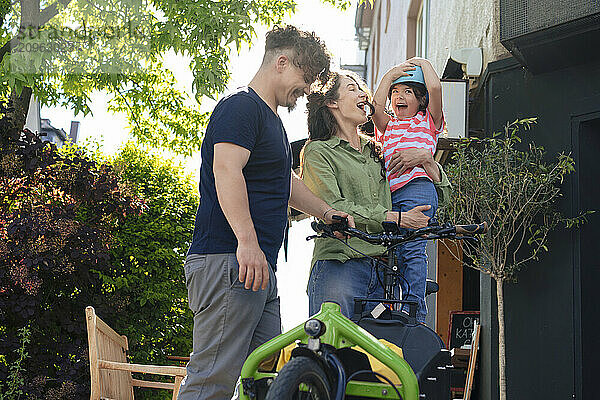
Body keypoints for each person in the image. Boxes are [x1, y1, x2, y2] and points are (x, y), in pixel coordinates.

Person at [178, 26, 353, 400]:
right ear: (281, 61)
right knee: (212, 381)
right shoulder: (241, 106)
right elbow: (225, 169)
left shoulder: (272, 122)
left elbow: (283, 183)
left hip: (257, 270)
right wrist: (246, 241)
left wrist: (325, 212)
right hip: (230, 260)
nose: (306, 91)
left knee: (268, 381)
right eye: (304, 80)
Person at [301, 70, 450, 319]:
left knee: (376, 356)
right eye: (352, 89)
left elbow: (442, 197)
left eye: (361, 89)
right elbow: (334, 206)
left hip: (382, 270)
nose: (363, 94)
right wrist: (397, 218)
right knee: (330, 350)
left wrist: (427, 160)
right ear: (331, 102)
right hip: (341, 265)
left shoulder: (379, 151)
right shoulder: (319, 151)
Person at [371, 58, 445, 323]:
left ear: (420, 100)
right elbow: (375, 106)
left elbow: (435, 89)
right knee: (395, 253)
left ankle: (415, 313)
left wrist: (423, 62)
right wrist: (389, 75)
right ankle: (395, 310)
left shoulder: (427, 121)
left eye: (408, 92)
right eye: (395, 92)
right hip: (391, 194)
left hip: (418, 188)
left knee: (413, 250)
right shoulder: (388, 125)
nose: (399, 96)